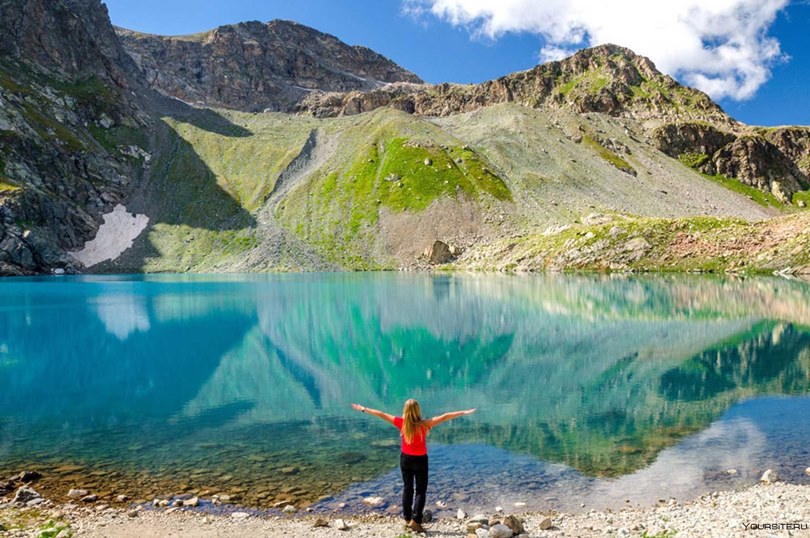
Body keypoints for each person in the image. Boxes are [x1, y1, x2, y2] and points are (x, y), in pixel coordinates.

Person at [351, 399, 476, 534]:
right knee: (420, 491)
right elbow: (445, 416)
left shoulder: (401, 423)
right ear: (418, 411)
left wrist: (363, 408)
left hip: (406, 459)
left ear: (405, 411)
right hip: (420, 460)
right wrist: (464, 412)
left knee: (407, 488)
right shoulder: (425, 424)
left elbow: (381, 414)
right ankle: (415, 521)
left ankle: (407, 518)